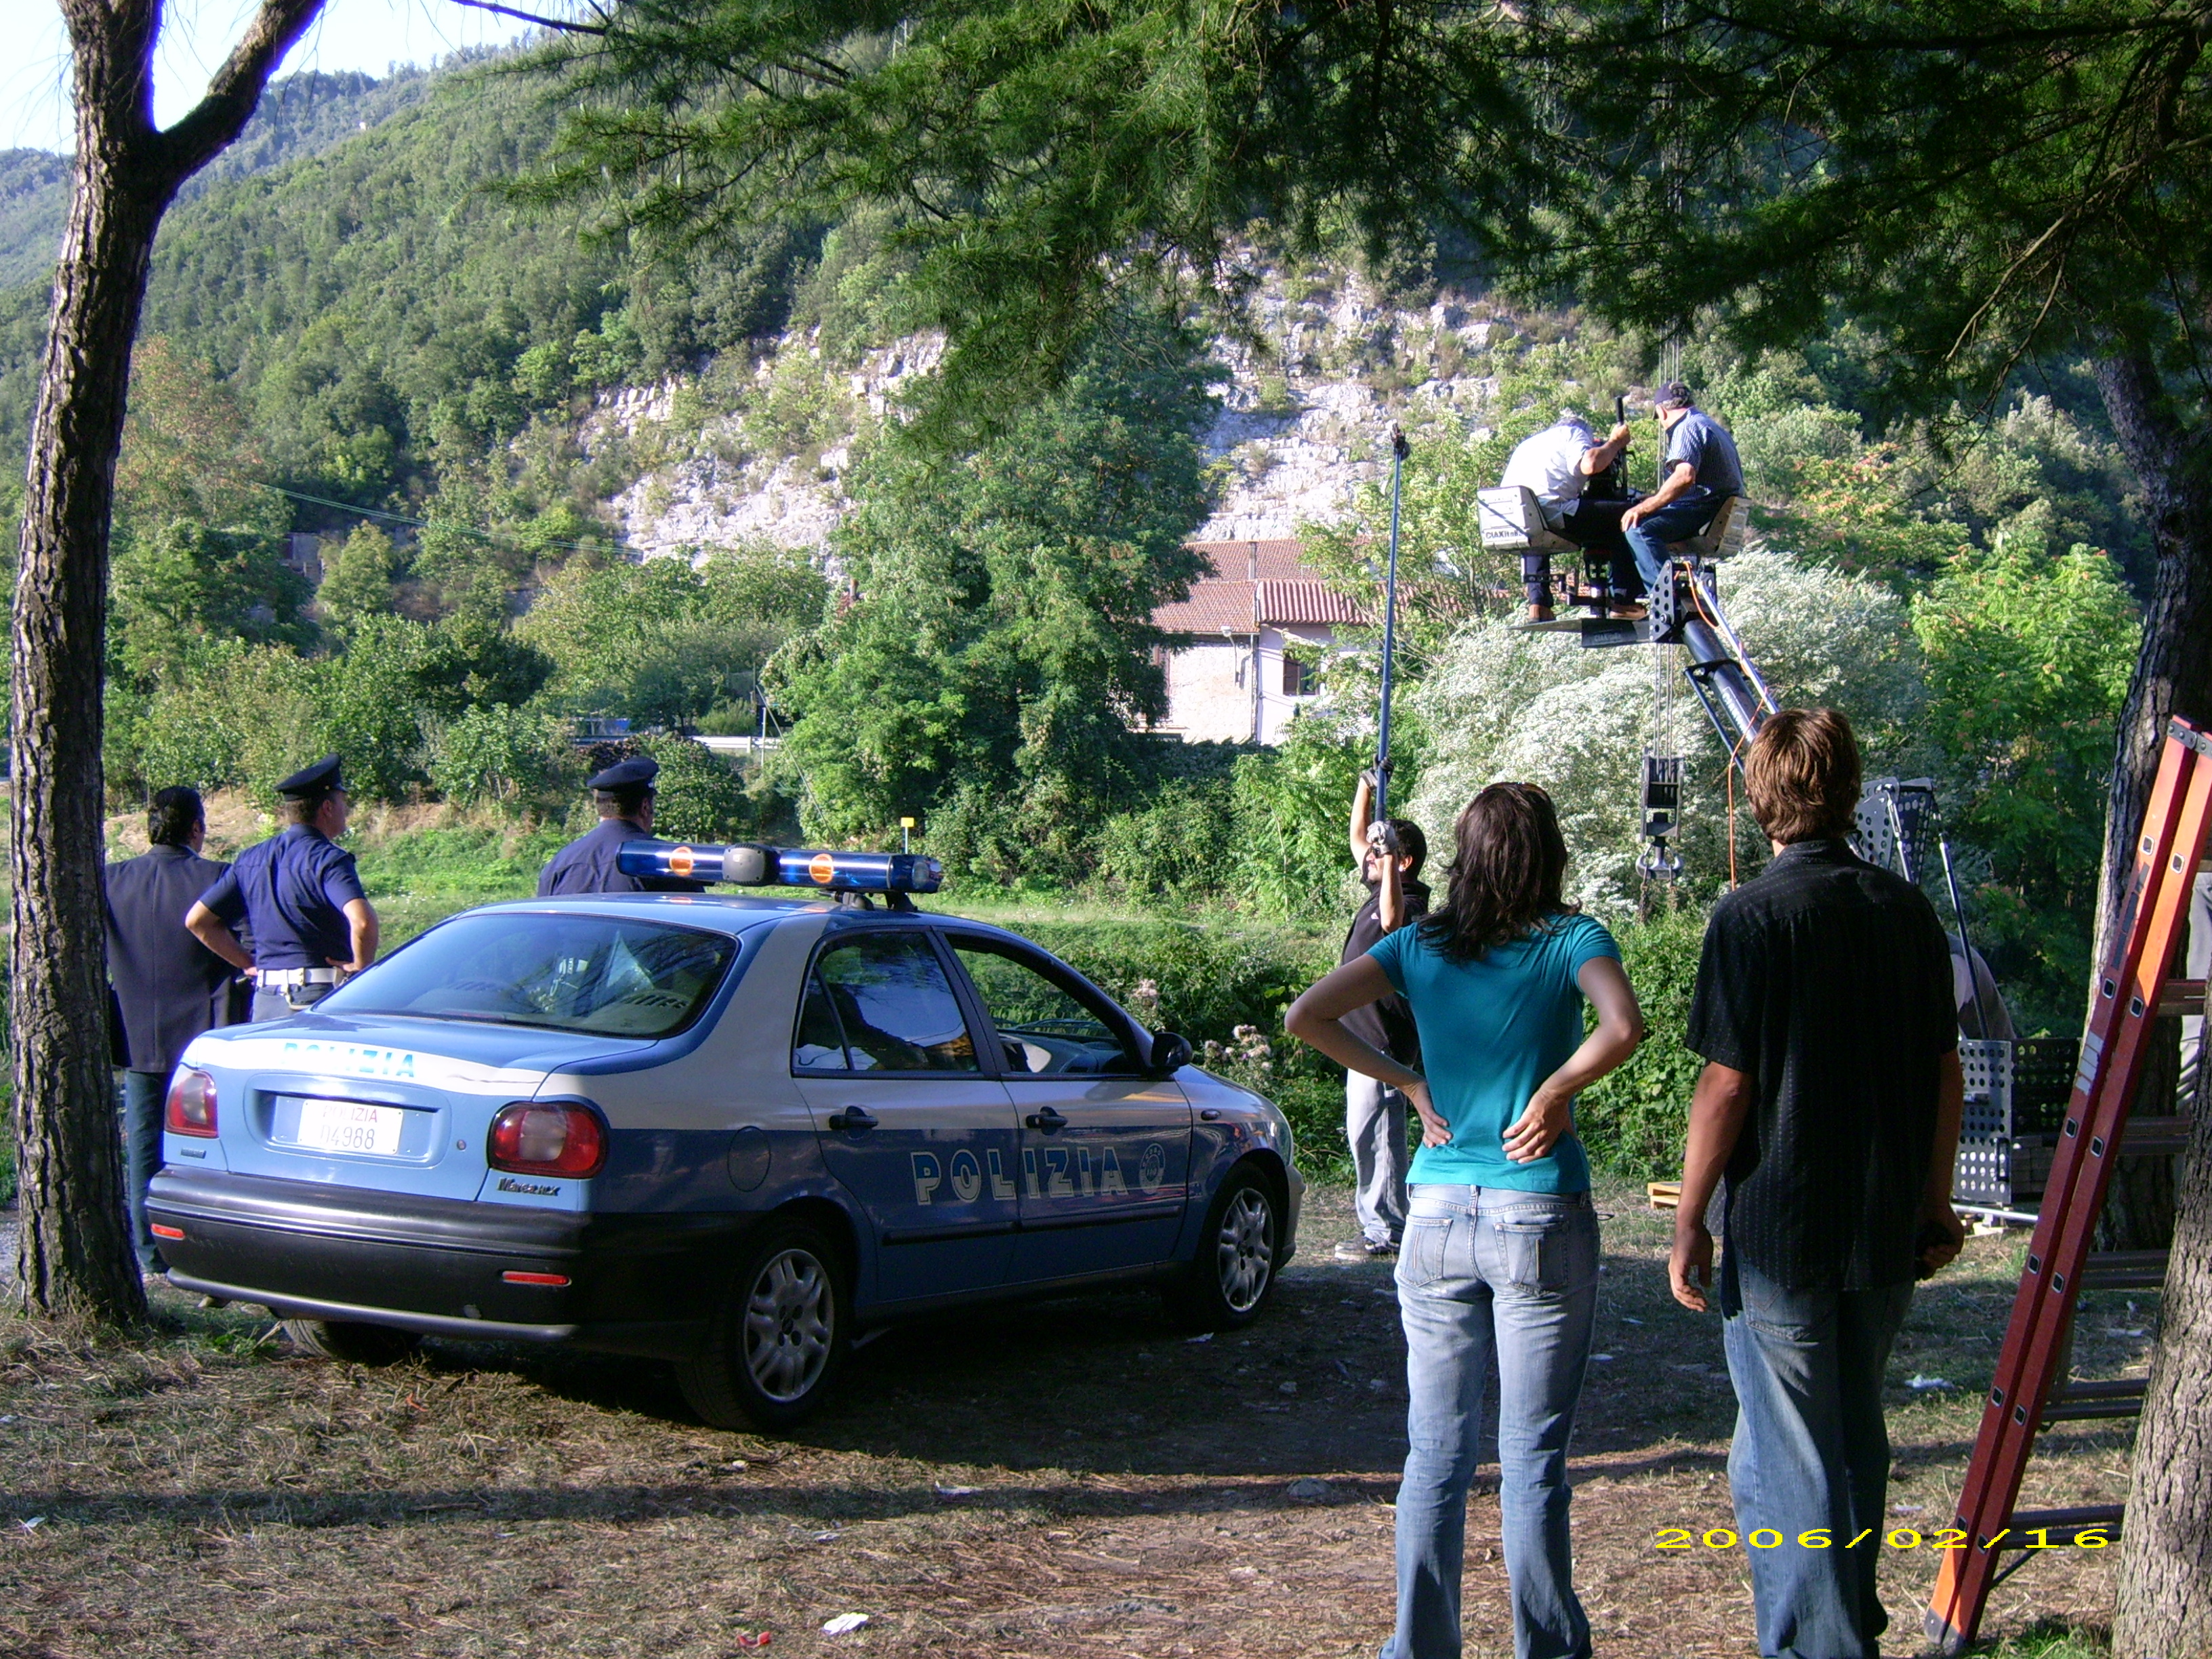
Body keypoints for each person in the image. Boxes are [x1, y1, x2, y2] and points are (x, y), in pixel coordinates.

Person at [1288, 783, 1644, 1659]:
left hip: (1438, 1213)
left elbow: (1306, 1016)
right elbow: (1623, 1026)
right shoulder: (1573, 938)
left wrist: (1407, 1082)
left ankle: (1419, 1646)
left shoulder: (1420, 943)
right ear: (1550, 853)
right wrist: (1556, 1090)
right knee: (1532, 1460)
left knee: (1435, 1456)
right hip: (1538, 1209)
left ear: (1466, 857)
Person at [1668, 708, 1966, 1659]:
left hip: (1779, 1226)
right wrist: (1935, 1201)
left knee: (1791, 1460)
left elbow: (1726, 1084)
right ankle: (1843, 1621)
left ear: (1762, 798)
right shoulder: (1906, 910)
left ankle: (1822, 1646)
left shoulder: (1750, 916)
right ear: (1848, 789)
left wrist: (1689, 1218)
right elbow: (1946, 1071)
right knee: (1848, 1440)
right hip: (1881, 1220)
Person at [102, 787, 236, 1276]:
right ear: (196, 828)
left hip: (138, 1032)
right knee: (205, 1146)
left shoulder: (112, 879)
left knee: (141, 1144)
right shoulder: (218, 877)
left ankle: (149, 1251)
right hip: (204, 1036)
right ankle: (205, 1249)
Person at [186, 756, 379, 1021]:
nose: (346, 809)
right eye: (342, 802)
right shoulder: (328, 859)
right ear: (327, 808)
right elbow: (363, 921)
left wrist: (247, 963)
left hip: (266, 998)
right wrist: (361, 969)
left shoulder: (250, 859)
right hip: (319, 996)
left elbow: (198, 921)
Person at [1336, 767, 1432, 1260]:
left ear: (1403, 860)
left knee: (1378, 1137)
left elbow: (1393, 924)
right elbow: (1357, 838)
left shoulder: (1410, 903)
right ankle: (1380, 1224)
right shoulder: (1379, 889)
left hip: (1383, 1044)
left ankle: (1387, 1231)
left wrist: (1388, 855)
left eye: (1382, 853)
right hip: (1362, 1043)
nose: (1369, 857)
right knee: (1364, 1134)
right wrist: (1365, 788)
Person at [1498, 411, 1638, 622]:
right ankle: (1623, 600)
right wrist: (1615, 443)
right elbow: (1590, 465)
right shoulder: (1574, 432)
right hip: (1552, 513)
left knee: (1536, 528)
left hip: (1517, 518)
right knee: (1629, 514)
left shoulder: (1529, 443)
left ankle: (1538, 605)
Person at [1618, 381, 1746, 611]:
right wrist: (1655, 499)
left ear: (1662, 411)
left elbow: (1685, 476)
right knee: (1640, 518)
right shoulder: (1710, 425)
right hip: (1714, 509)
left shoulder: (1686, 427)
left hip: (1703, 510)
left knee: (1637, 528)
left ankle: (1663, 604)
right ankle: (1646, 599)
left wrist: (1645, 507)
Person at [537, 754, 710, 896]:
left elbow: (544, 923)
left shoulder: (560, 863)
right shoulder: (668, 863)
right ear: (645, 807)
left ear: (600, 807)